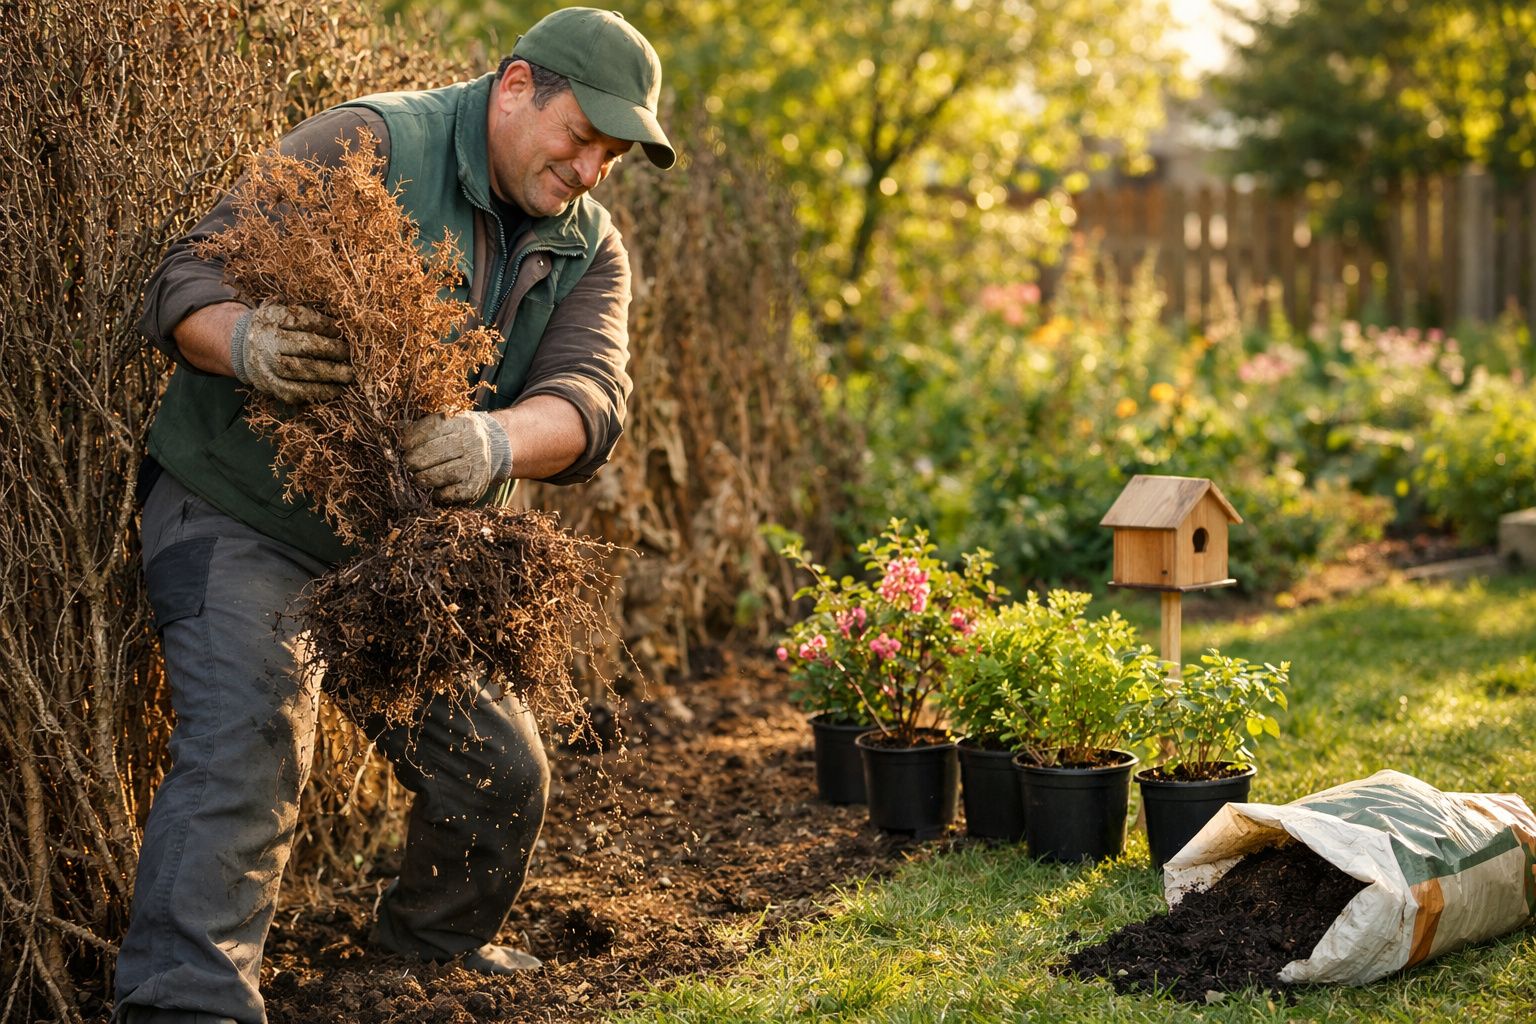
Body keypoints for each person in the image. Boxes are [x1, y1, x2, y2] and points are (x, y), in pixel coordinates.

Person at [113, 8, 674, 1023]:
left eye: (615, 154)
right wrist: (247, 342)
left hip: (390, 555)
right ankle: (183, 1005)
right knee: (252, 734)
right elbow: (184, 279)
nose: (593, 169)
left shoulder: (588, 245)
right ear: (515, 88)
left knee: (499, 772)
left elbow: (593, 399)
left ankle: (420, 964)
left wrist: (498, 441)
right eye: (581, 137)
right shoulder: (366, 145)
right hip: (241, 511)